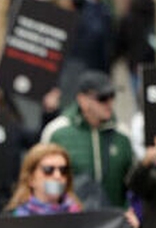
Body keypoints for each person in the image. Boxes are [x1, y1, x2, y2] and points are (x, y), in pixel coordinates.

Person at [41, 70, 134, 210]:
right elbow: (45, 179)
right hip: (71, 220)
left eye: (112, 96)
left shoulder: (123, 134)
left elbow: (133, 184)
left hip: (115, 219)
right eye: (103, 98)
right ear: (82, 100)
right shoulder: (57, 132)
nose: (110, 103)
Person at [4, 143, 82, 216]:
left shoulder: (78, 215)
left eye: (63, 170)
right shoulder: (14, 218)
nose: (57, 176)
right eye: (48, 170)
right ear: (31, 179)